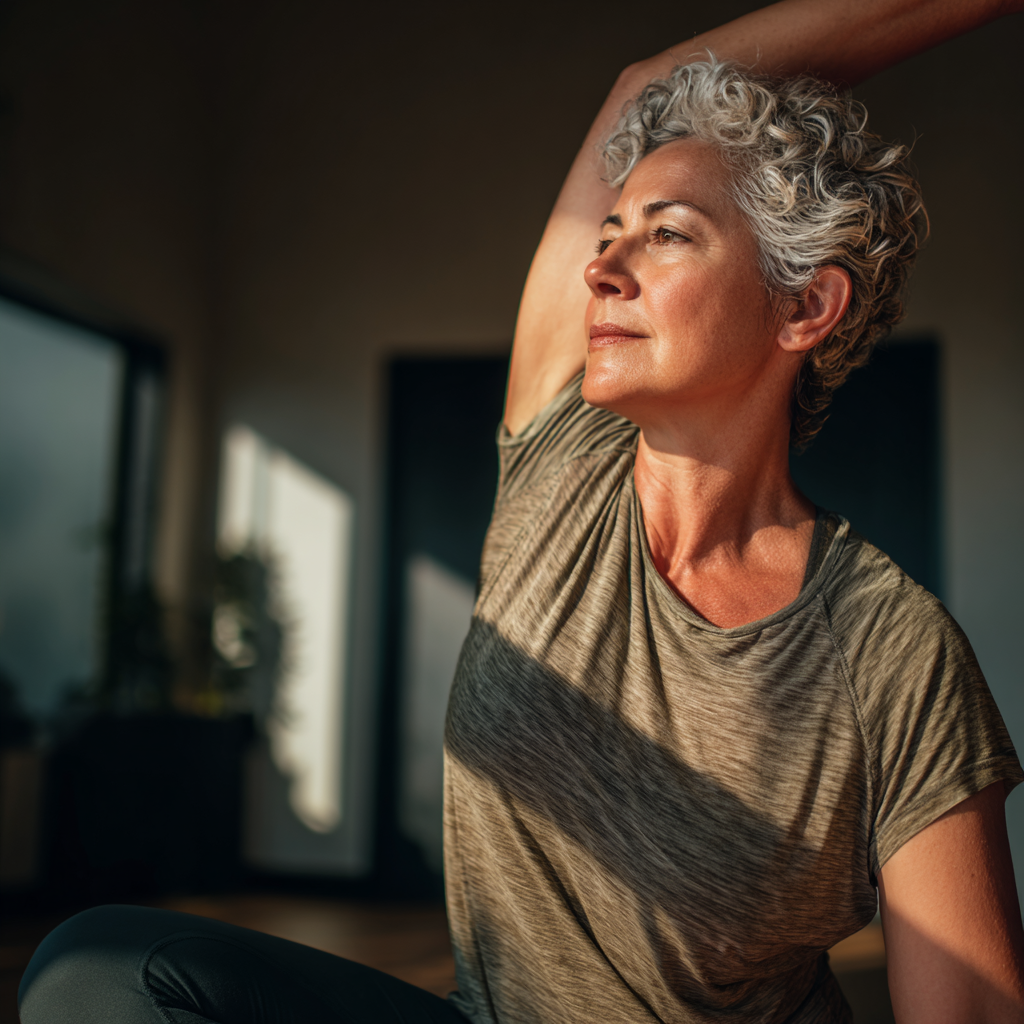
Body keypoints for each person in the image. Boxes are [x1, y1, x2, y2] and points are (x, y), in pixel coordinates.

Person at [18, 1, 1024, 1022]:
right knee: (97, 972)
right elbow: (642, 88)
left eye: (668, 234)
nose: (602, 263)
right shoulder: (562, 455)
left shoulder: (895, 653)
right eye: (610, 229)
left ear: (805, 305)